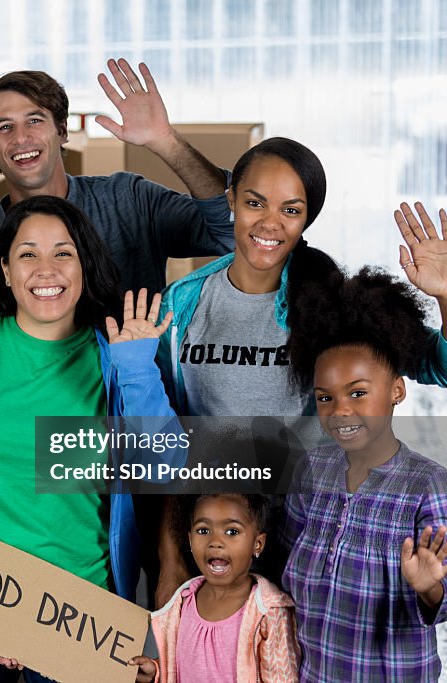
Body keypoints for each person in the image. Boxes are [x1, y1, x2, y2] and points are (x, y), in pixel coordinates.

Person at [0, 194, 184, 681]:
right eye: (28, 253)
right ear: (6, 270)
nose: (46, 269)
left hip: (82, 613)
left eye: (64, 252)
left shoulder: (117, 354)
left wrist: (138, 371)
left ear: (84, 266)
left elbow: (165, 470)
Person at [153, 141, 447, 605]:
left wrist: (445, 295)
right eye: (255, 203)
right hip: (218, 539)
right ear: (230, 200)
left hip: (310, 539)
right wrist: (171, 562)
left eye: (291, 209)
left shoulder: (330, 303)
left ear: (306, 217)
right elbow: (168, 438)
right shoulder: (183, 303)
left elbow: (438, 365)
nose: (270, 224)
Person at [282, 265, 447, 680]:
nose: (340, 410)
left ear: (396, 391)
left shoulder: (428, 485)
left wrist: (428, 587)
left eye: (358, 392)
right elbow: (285, 564)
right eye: (325, 398)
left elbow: (442, 597)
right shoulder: (312, 470)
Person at [0, 62, 233, 296]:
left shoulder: (128, 200)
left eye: (34, 121)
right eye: (5, 127)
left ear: (62, 131)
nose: (20, 138)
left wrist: (167, 142)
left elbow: (230, 232)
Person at [130, 494, 299, 682]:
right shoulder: (183, 602)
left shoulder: (270, 612)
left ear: (257, 544)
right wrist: (156, 670)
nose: (215, 542)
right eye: (203, 531)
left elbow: (281, 677)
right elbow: (183, 666)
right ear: (190, 540)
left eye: (232, 532)